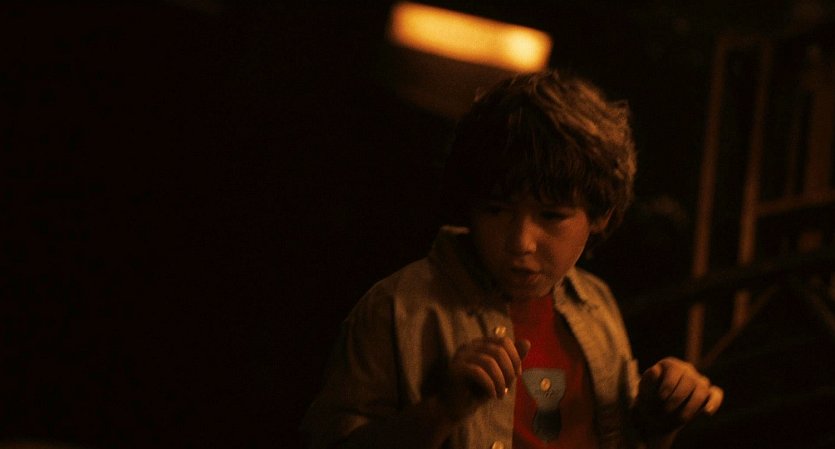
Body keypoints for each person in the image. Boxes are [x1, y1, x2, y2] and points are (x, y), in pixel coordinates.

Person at [301, 70, 723, 449]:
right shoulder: (397, 309)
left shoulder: (595, 305)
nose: (520, 242)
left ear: (601, 216)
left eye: (551, 216)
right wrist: (442, 410)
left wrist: (657, 419)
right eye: (497, 210)